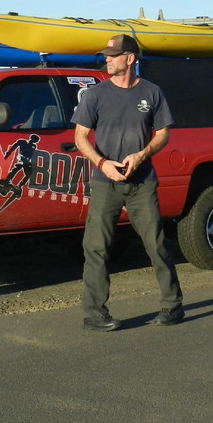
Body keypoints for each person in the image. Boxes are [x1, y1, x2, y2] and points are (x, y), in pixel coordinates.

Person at [71, 33, 184, 331]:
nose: (107, 59)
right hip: (105, 182)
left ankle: (172, 306)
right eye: (106, 55)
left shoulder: (152, 93)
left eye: (113, 55)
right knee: (95, 247)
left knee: (156, 243)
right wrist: (102, 163)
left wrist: (143, 154)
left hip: (142, 182)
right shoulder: (95, 95)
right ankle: (94, 314)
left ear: (130, 59)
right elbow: (80, 136)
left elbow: (163, 134)